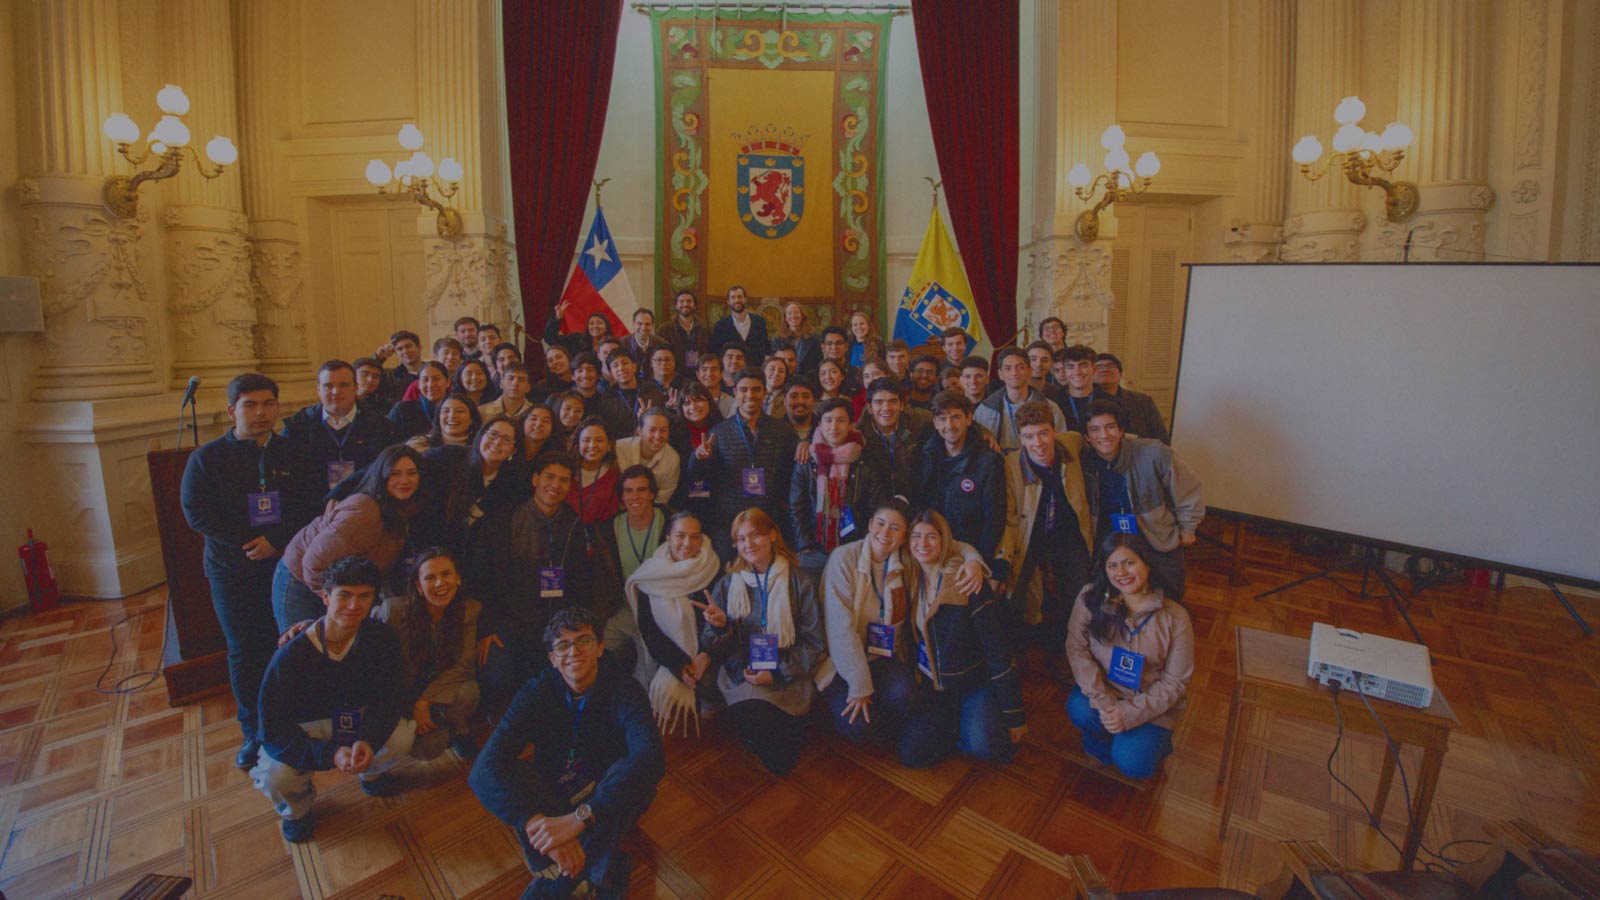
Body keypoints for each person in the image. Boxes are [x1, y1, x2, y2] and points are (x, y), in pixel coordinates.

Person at [469, 608, 664, 900]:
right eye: (562, 645)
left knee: (630, 771)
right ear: (552, 658)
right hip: (556, 792)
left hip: (607, 792)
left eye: (583, 640)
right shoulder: (536, 691)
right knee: (513, 773)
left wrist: (579, 819)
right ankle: (603, 869)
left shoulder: (625, 689)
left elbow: (652, 758)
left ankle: (560, 882)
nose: (574, 651)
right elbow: (482, 771)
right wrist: (538, 825)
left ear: (600, 647)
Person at [181, 373, 321, 770]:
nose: (261, 413)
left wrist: (275, 541)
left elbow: (312, 504)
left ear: (278, 408)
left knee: (291, 640)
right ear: (231, 411)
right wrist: (248, 542)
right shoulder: (206, 459)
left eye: (268, 404)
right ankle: (253, 731)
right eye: (250, 405)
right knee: (245, 650)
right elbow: (197, 513)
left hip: (286, 565)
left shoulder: (296, 452)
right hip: (232, 569)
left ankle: (294, 718)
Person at [250, 556, 415, 842]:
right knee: (278, 776)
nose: (354, 606)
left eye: (364, 596)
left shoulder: (380, 638)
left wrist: (368, 740)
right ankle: (298, 811)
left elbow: (388, 698)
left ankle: (371, 774)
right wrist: (329, 754)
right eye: (345, 595)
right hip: (306, 728)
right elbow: (273, 729)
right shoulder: (291, 656)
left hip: (352, 718)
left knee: (401, 737)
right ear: (325, 597)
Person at [816, 499, 990, 751]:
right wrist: (859, 686)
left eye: (895, 528)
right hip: (839, 662)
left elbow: (950, 545)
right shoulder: (843, 558)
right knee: (857, 726)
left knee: (908, 698)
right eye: (880, 524)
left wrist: (972, 559)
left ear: (904, 537)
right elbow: (839, 631)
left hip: (881, 657)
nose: (885, 533)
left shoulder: (906, 559)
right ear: (869, 525)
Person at [699, 509, 825, 775]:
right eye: (741, 539)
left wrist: (777, 672)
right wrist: (720, 628)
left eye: (755, 534)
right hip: (743, 675)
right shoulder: (728, 583)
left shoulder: (799, 581)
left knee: (779, 758)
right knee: (760, 729)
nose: (749, 544)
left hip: (787, 673)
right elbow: (710, 643)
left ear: (772, 534)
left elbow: (814, 642)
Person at [898, 510, 1025, 767]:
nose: (922, 544)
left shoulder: (966, 582)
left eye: (931, 537)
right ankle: (956, 725)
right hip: (935, 687)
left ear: (945, 541)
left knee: (986, 747)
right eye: (917, 536)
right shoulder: (909, 577)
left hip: (973, 684)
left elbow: (998, 652)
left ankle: (972, 720)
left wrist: (1015, 714)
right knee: (912, 755)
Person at [1064, 534, 1194, 779]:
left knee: (1134, 764)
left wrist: (1129, 714)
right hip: (1107, 692)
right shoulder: (1090, 597)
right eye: (1112, 565)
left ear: (1146, 562)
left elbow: (1175, 682)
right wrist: (1104, 700)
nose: (1121, 572)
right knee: (1079, 708)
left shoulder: (1176, 617)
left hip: (1150, 703)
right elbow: (1076, 648)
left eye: (1129, 563)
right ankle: (1108, 738)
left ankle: (1148, 744)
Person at [995, 401, 1096, 679]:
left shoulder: (1070, 445)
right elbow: (1010, 517)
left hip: (1068, 538)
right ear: (1020, 438)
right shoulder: (1010, 466)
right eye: (1028, 436)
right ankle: (1019, 652)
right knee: (1014, 596)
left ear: (1054, 431)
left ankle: (1068, 653)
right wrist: (1003, 559)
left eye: (1043, 433)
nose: (1037, 443)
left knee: (1079, 594)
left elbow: (1094, 438)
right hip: (1031, 538)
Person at [272, 444, 422, 631]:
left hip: (341, 590)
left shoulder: (402, 509)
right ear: (381, 476)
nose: (404, 480)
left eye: (411, 473)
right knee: (307, 653)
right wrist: (341, 603)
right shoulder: (364, 512)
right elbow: (313, 564)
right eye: (395, 474)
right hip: (301, 583)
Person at [492, 454, 595, 702]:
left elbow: (580, 579)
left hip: (556, 621)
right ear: (535, 479)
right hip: (513, 620)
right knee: (500, 679)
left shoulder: (573, 523)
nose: (555, 485)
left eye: (564, 480)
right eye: (549, 477)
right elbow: (492, 577)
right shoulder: (509, 520)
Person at [1081, 399, 1203, 599]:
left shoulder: (1153, 452)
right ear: (1087, 437)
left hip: (1154, 533)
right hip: (1110, 535)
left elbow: (1188, 489)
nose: (1103, 435)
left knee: (1169, 591)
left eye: (1110, 427)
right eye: (1095, 429)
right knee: (1108, 592)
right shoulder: (1085, 462)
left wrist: (1188, 527)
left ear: (1121, 431)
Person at [376, 548, 482, 760]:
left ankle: (457, 729)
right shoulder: (392, 612)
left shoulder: (469, 609)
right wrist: (411, 705)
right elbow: (378, 669)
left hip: (437, 689)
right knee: (427, 750)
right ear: (418, 586)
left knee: (470, 690)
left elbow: (463, 665)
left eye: (446, 574)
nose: (440, 583)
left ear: (458, 578)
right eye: (430, 577)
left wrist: (424, 702)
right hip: (401, 692)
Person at [687, 368, 800, 560]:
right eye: (743, 390)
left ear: (765, 392)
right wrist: (698, 459)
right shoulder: (719, 433)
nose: (750, 395)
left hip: (771, 520)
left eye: (756, 390)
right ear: (735, 393)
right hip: (729, 524)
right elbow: (699, 484)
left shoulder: (783, 431)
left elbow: (793, 477)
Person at [626, 512, 724, 735]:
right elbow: (650, 631)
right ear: (668, 537)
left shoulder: (713, 568)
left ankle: (711, 695)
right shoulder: (650, 576)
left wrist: (707, 654)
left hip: (709, 651)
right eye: (680, 536)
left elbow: (724, 626)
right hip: (672, 653)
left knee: (711, 684)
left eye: (695, 536)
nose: (688, 544)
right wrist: (679, 664)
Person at [437, 416, 531, 609]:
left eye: (506, 440)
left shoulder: (513, 483)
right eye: (493, 435)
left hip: (478, 569)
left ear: (513, 450)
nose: (497, 443)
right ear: (481, 436)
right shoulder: (449, 460)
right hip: (438, 556)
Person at [917, 390, 1009, 582]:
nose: (949, 425)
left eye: (956, 417)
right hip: (931, 552)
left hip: (970, 556)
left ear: (969, 418)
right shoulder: (926, 455)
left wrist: (978, 561)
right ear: (934, 422)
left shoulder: (989, 462)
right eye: (942, 419)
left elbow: (994, 519)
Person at [790, 398, 888, 573]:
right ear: (820, 424)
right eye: (828, 420)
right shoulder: (807, 461)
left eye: (841, 420)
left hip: (854, 547)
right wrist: (804, 545)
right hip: (813, 548)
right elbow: (797, 507)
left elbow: (875, 508)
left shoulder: (865, 461)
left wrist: (864, 543)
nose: (834, 427)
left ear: (851, 424)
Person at [594, 465, 668, 678]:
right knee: (592, 657)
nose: (635, 497)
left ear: (652, 493)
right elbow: (600, 581)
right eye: (628, 491)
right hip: (621, 612)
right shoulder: (608, 530)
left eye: (642, 490)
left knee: (648, 679)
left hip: (659, 614)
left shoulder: (671, 523)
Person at [283, 359, 399, 491]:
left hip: (363, 499)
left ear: (355, 387)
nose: (336, 392)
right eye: (328, 386)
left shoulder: (380, 426)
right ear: (318, 389)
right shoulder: (297, 427)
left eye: (343, 385)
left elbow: (383, 472)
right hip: (312, 504)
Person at [975, 347, 1067, 453]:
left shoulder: (1050, 408)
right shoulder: (985, 410)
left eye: (1020, 367)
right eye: (1008, 368)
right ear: (1000, 374)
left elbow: (1061, 445)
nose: (1014, 373)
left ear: (1030, 371)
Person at [860, 377, 934, 502]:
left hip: (915, 501)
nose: (886, 408)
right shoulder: (860, 436)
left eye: (892, 401)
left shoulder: (918, 422)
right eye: (879, 402)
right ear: (869, 408)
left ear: (902, 405)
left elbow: (943, 418)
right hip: (876, 505)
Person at [1093, 353, 1169, 444]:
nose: (1105, 370)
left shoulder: (1142, 401)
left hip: (1140, 452)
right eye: (1099, 367)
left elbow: (1161, 435)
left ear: (1120, 374)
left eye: (1110, 366)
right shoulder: (1086, 401)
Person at [614, 407, 679, 506]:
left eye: (663, 430)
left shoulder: (672, 459)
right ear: (639, 431)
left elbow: (662, 498)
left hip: (649, 509)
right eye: (652, 430)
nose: (658, 436)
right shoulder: (619, 448)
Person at [567, 418, 621, 529]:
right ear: (578, 444)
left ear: (609, 445)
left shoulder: (614, 477)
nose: (592, 446)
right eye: (586, 440)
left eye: (599, 440)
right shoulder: (565, 472)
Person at [388, 360, 450, 440]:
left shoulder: (455, 410)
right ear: (419, 384)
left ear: (448, 382)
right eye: (425, 380)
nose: (431, 384)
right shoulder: (402, 410)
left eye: (436, 379)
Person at [710, 285, 770, 360]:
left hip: (755, 369)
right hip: (733, 369)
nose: (737, 300)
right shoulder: (720, 326)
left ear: (745, 299)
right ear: (728, 302)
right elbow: (717, 351)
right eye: (733, 297)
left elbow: (766, 348)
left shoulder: (759, 322)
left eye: (740, 296)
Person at [406, 393, 482, 453]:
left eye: (460, 411)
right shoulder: (419, 445)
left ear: (472, 419)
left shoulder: (482, 448)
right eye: (446, 411)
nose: (452, 416)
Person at [657, 289, 711, 373]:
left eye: (689, 301)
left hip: (700, 375)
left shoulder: (704, 328)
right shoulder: (665, 329)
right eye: (681, 301)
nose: (685, 304)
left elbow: (709, 352)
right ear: (676, 305)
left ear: (695, 305)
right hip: (674, 376)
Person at [1054, 345, 1101, 434]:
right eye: (1070, 367)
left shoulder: (1111, 402)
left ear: (1094, 369)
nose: (1077, 372)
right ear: (1065, 371)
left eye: (1083, 365)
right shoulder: (1054, 402)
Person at [544, 298, 613, 359]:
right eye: (591, 324)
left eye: (599, 323)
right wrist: (557, 318)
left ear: (606, 327)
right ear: (587, 328)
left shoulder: (614, 344)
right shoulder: (577, 339)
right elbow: (550, 338)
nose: (595, 326)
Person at [776, 301, 820, 373]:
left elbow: (818, 362)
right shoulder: (778, 339)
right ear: (785, 318)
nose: (793, 316)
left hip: (808, 379)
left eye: (796, 312)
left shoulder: (813, 338)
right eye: (789, 313)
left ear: (802, 316)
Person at [380, 329, 425, 397]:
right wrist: (378, 357)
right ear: (396, 353)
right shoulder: (390, 377)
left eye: (408, 346)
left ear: (419, 347)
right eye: (400, 349)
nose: (405, 351)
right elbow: (365, 370)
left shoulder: (433, 371)